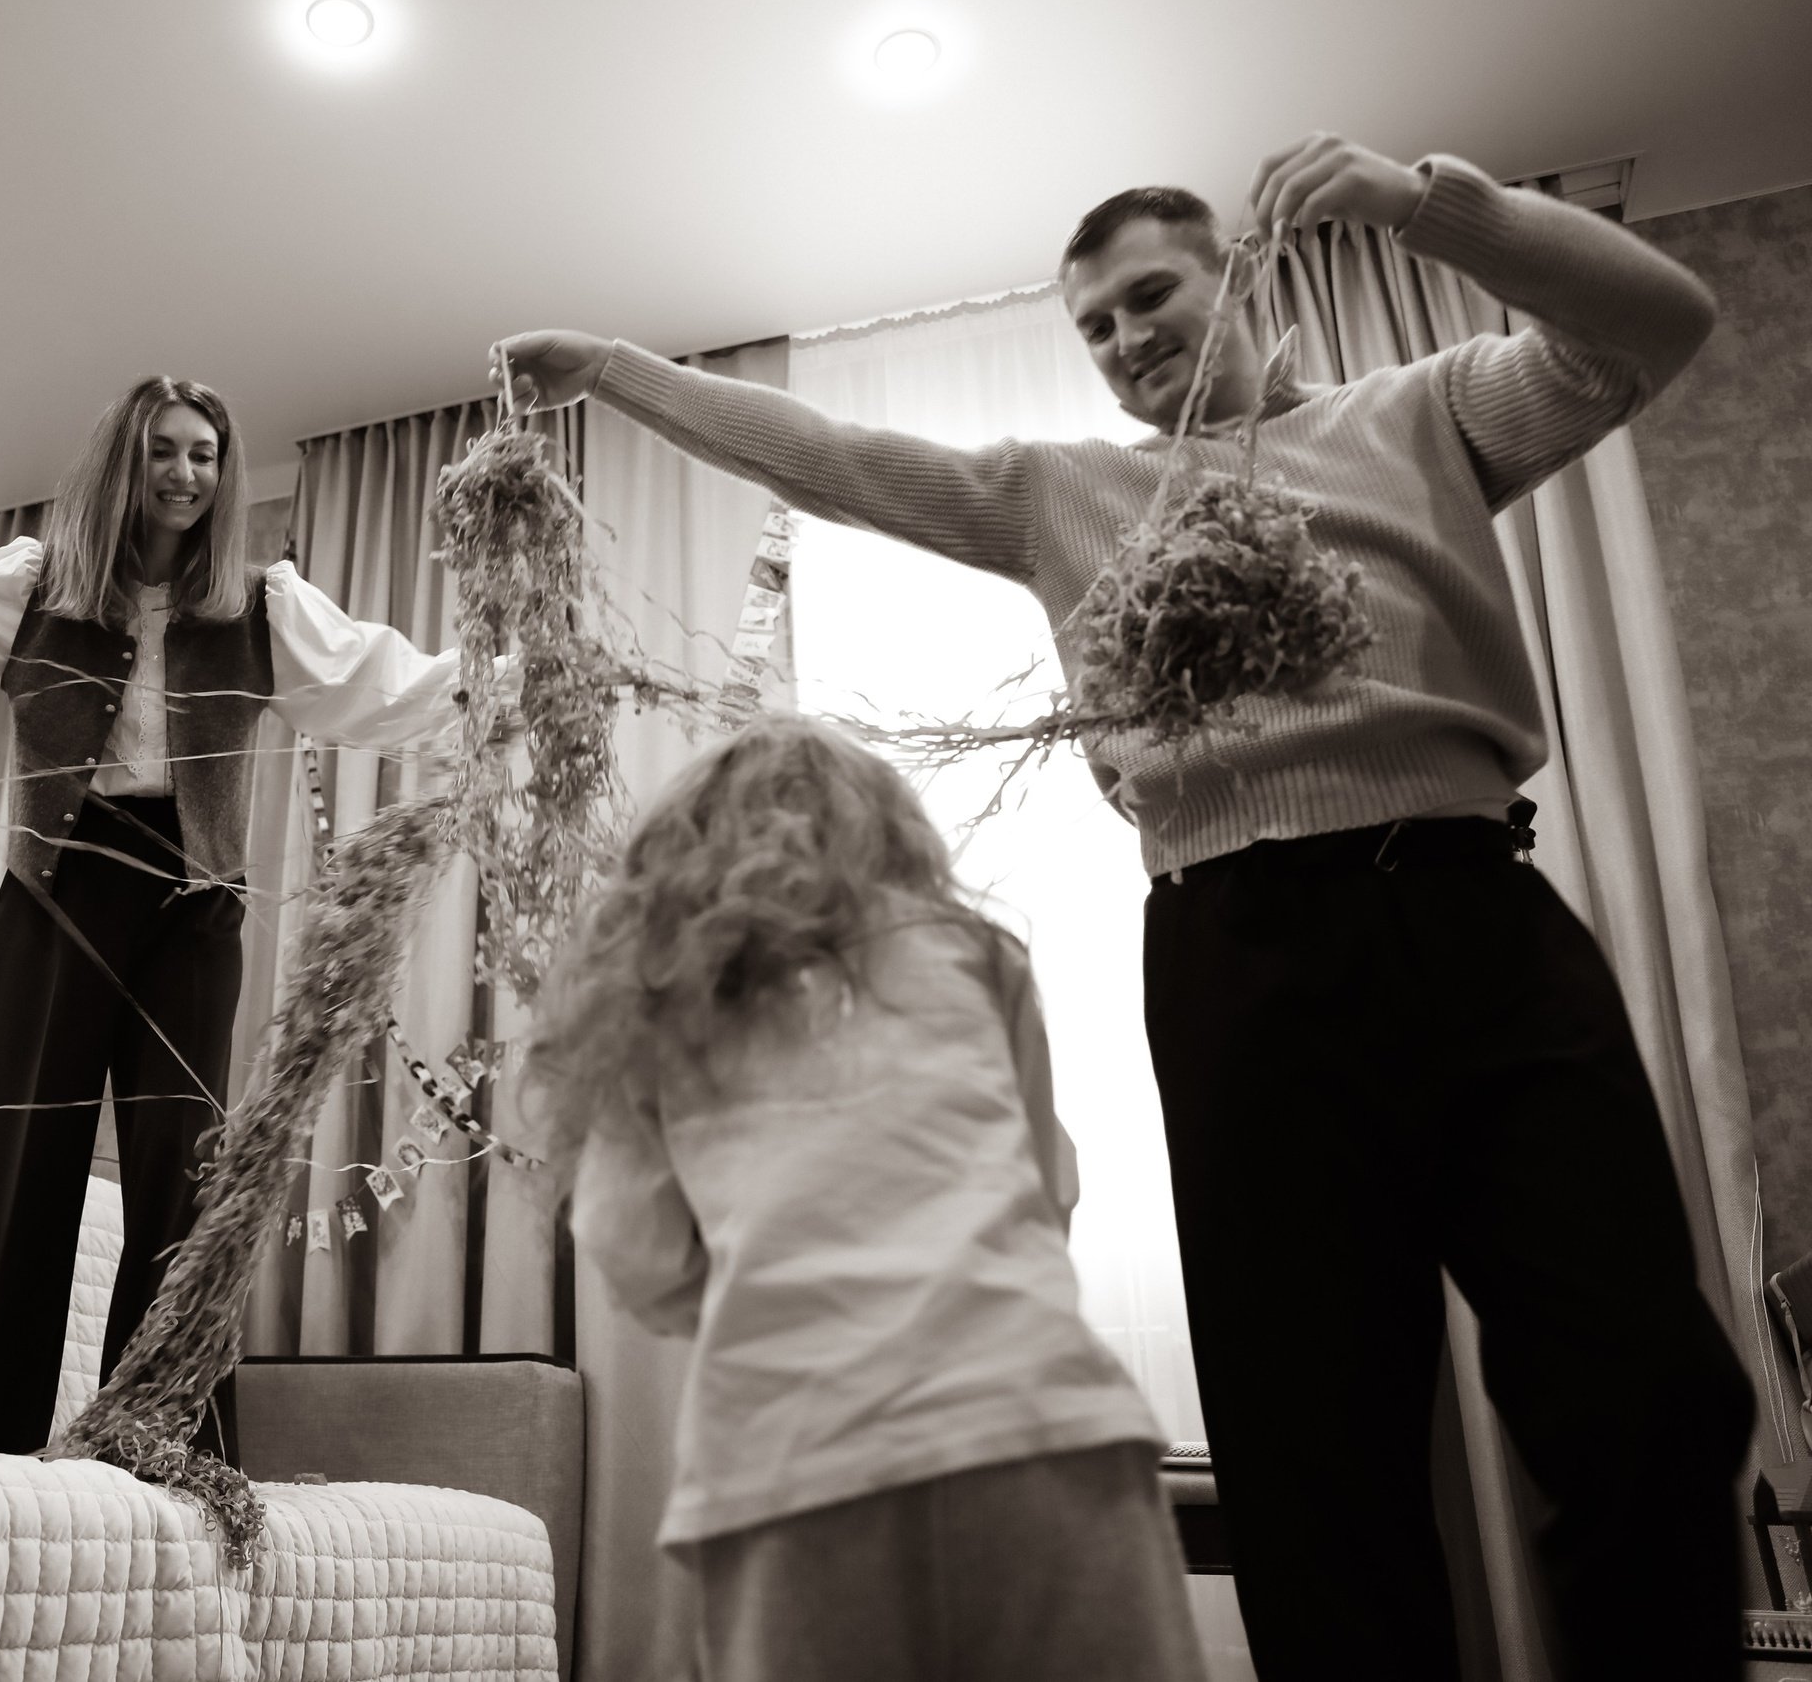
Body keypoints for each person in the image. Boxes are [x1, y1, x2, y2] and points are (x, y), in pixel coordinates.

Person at [496, 133, 1755, 1681]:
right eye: (1092, 324)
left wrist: (1421, 202)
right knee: (1313, 1451)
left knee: (1645, 1389)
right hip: (1240, 955)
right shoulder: (1063, 497)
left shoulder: (1417, 415)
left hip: (1473, 916)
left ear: (1245, 279)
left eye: (1151, 294)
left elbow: (1658, 323)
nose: (1123, 337)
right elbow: (818, 453)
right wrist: (618, 367)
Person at [0, 375, 472, 1458]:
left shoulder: (259, 607)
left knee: (185, 1168)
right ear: (124, 461)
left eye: (204, 454)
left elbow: (376, 684)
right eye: (163, 450)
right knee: (19, 1160)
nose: (186, 473)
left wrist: (500, 683)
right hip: (54, 891)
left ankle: (158, 1438)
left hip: (192, 905)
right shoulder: (32, 588)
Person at [530, 714, 1204, 1682]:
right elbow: (1047, 1188)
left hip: (791, 1462)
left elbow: (630, 1248)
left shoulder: (664, 998)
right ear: (889, 836)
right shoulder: (974, 954)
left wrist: (741, 1288)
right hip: (1038, 1422)